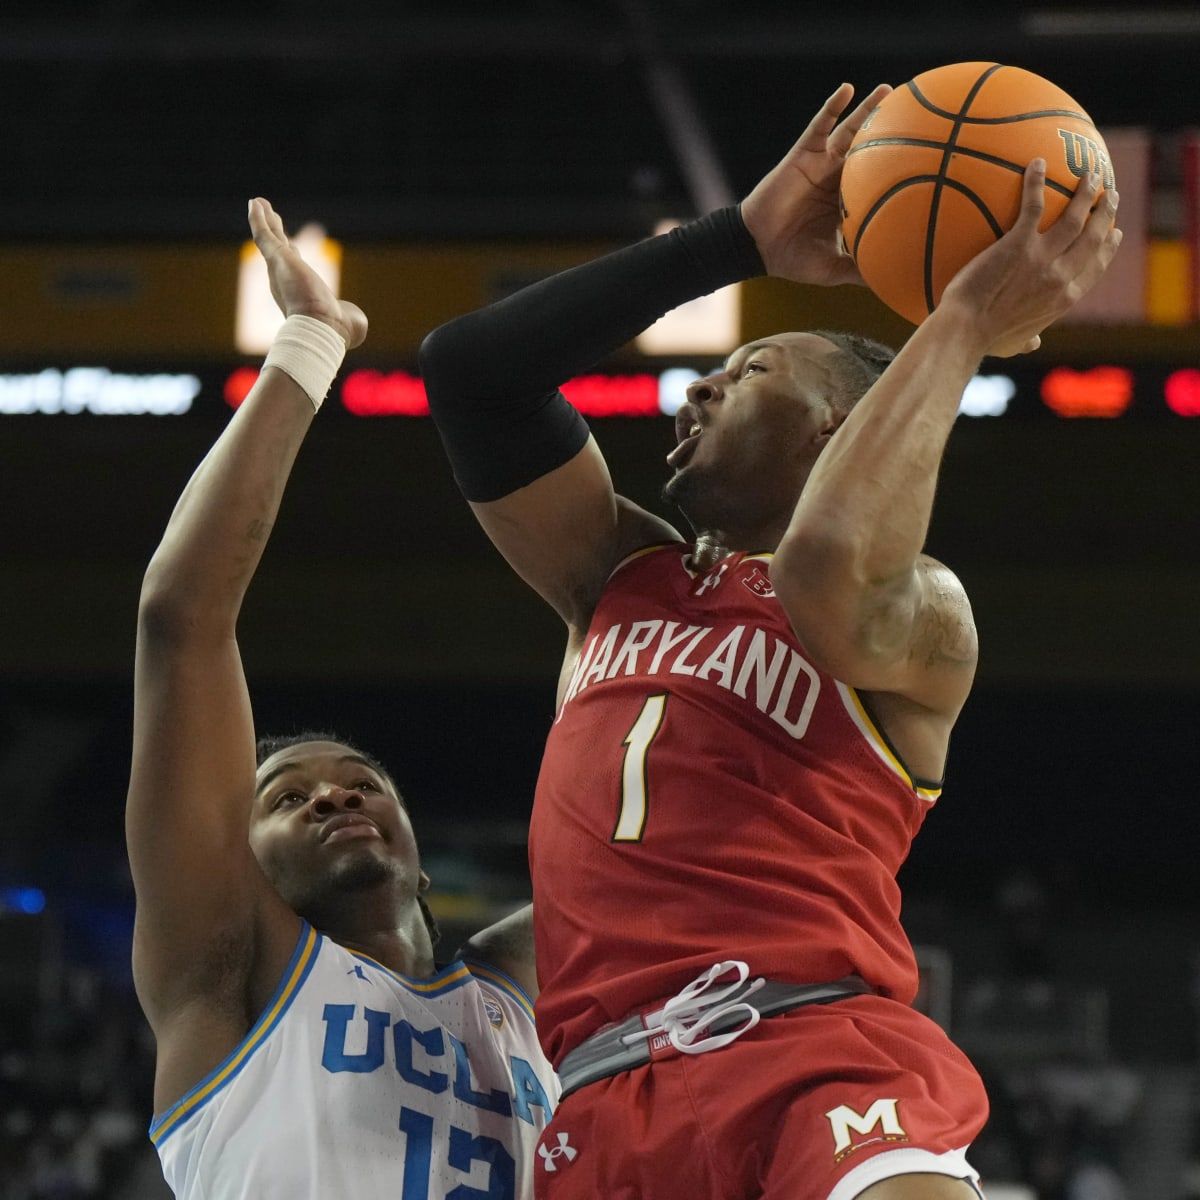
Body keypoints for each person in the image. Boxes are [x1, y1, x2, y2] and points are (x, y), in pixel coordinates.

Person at [419, 82, 1121, 1200]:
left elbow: (824, 566)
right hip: (600, 1108)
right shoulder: (615, 576)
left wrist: (959, 323)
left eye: (748, 372)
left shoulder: (925, 614)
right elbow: (472, 375)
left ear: (838, 428)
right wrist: (733, 242)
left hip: (812, 1059)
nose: (696, 383)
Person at [126, 198, 556, 1200]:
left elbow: (688, 838)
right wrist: (312, 343)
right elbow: (180, 616)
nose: (333, 797)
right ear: (244, 858)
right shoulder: (223, 970)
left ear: (411, 838)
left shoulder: (509, 987)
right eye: (286, 797)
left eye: (362, 783)